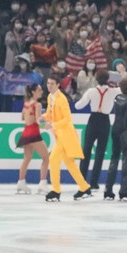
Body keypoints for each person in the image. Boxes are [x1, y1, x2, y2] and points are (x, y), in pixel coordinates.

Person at [42, 74, 91, 202]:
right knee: (70, 163)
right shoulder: (50, 97)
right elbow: (49, 113)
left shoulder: (62, 99)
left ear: (58, 85)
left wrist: (53, 125)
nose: (49, 86)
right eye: (48, 83)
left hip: (66, 135)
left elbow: (68, 118)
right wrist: (42, 117)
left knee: (53, 159)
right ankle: (84, 187)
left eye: (52, 84)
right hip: (60, 135)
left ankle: (56, 191)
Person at [74, 70, 120, 190]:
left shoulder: (91, 91)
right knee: (100, 152)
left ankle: (82, 180)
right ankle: (94, 182)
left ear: (96, 78)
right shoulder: (114, 91)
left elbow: (78, 106)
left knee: (86, 150)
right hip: (105, 121)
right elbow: (124, 89)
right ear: (108, 79)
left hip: (93, 120)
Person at [103, 78, 127, 201]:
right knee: (126, 161)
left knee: (114, 159)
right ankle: (123, 190)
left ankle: (108, 190)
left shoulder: (117, 98)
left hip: (115, 130)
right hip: (125, 131)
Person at [15, 83, 49, 195]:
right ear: (33, 92)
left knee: (27, 158)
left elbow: (22, 117)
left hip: (25, 133)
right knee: (46, 158)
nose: (41, 92)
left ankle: (21, 182)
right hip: (34, 134)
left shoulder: (26, 104)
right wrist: (46, 125)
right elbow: (39, 120)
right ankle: (42, 184)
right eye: (39, 90)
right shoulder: (37, 105)